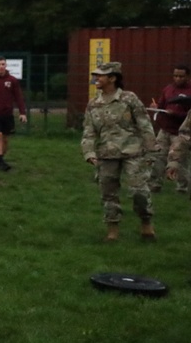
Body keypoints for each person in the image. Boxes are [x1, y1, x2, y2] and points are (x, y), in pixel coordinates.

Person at [81, 62, 157, 242]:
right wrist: (89, 153)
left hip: (134, 152)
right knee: (108, 192)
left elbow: (145, 124)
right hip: (106, 154)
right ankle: (112, 229)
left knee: (139, 190)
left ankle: (146, 222)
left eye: (100, 75)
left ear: (112, 78)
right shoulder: (93, 105)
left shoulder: (129, 99)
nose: (96, 79)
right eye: (96, 75)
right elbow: (89, 132)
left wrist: (151, 150)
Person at [149, 64, 191, 194]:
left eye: (181, 76)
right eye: (175, 76)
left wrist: (176, 114)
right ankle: (155, 184)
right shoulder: (168, 89)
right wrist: (155, 107)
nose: (178, 78)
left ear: (188, 76)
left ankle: (182, 187)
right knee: (158, 156)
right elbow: (161, 105)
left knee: (180, 159)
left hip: (181, 132)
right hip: (165, 130)